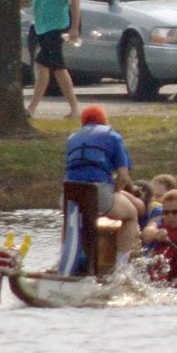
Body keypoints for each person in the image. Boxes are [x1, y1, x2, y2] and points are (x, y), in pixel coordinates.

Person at [63, 105, 142, 267]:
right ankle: (121, 267)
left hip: (68, 193)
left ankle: (64, 259)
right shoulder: (113, 136)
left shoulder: (72, 138)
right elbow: (123, 176)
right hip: (97, 192)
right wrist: (116, 191)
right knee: (131, 215)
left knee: (70, 219)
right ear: (105, 121)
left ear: (83, 124)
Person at [20, 0, 82, 118]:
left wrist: (74, 27)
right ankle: (73, 109)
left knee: (43, 65)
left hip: (57, 25)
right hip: (40, 25)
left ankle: (31, 108)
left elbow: (74, 0)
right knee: (55, 68)